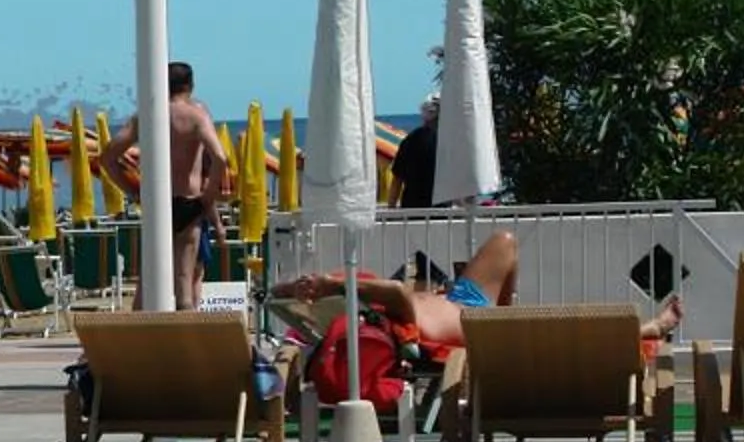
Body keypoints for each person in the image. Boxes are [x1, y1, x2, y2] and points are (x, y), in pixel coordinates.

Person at [277, 230, 681, 358]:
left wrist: (301, 286)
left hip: (460, 298)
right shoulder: (387, 315)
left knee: (505, 241)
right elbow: (397, 290)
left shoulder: (369, 304)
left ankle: (508, 313)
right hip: (474, 324)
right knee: (566, 333)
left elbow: (276, 295)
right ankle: (649, 328)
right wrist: (332, 285)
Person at [96, 61, 233, 311]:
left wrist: (131, 190)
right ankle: (184, 343)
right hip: (189, 200)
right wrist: (209, 194)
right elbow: (221, 159)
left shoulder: (146, 117)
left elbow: (106, 158)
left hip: (157, 200)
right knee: (184, 281)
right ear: (190, 86)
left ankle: (138, 342)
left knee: (148, 281)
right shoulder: (196, 116)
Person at [390, 93, 441, 211]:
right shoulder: (448, 141)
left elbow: (397, 180)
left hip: (411, 212)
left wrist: (391, 211)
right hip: (442, 214)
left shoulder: (410, 140)